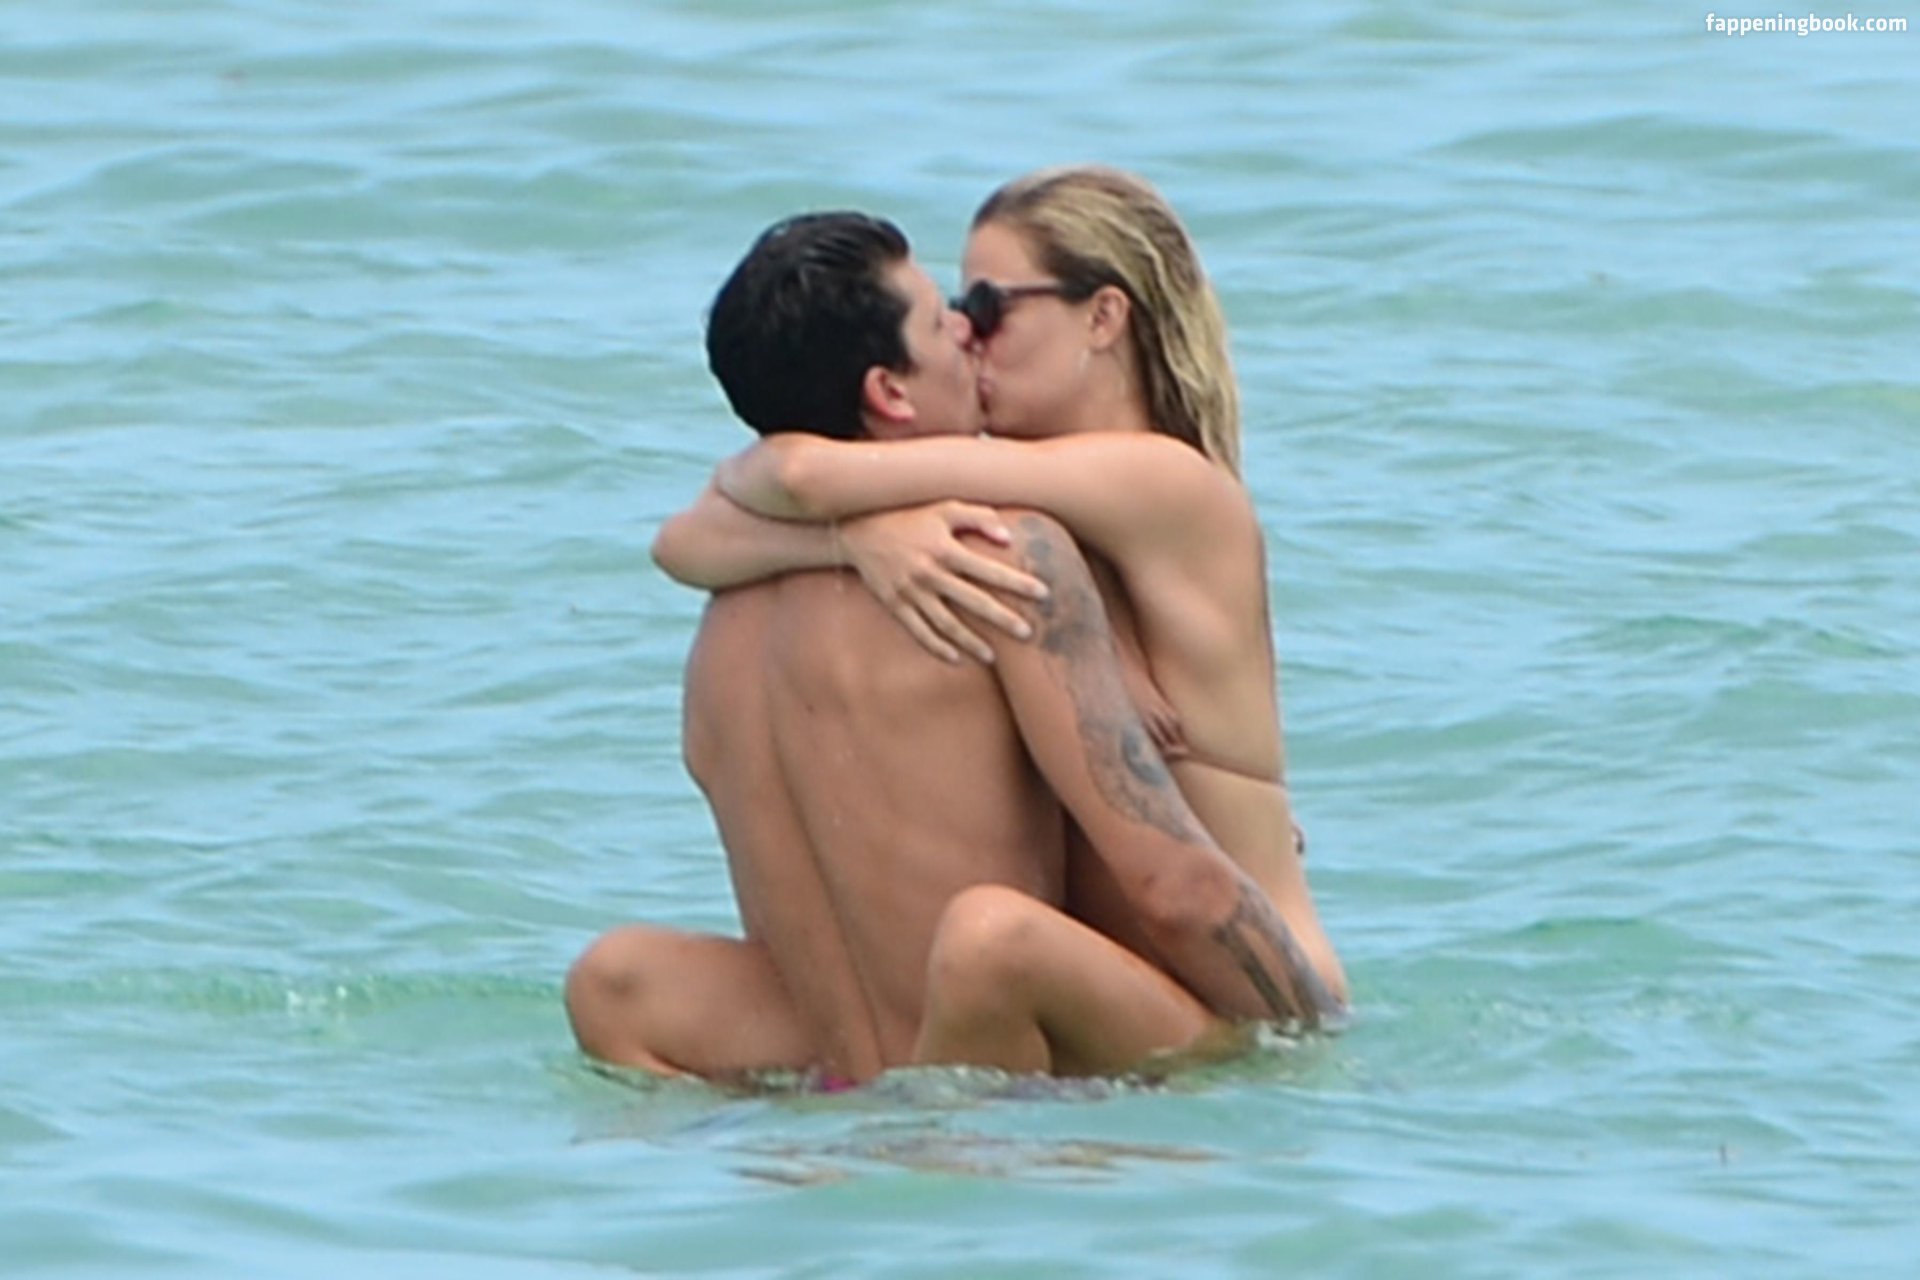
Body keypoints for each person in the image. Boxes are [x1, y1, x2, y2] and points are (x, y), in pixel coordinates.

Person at [566, 211, 1329, 1085]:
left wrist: (842, 535)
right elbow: (1176, 890)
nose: (969, 330)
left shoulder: (724, 617)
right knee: (991, 939)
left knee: (615, 981)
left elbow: (701, 529)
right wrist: (1321, 1054)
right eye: (944, 320)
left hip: (840, 1078)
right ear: (891, 393)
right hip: (983, 1079)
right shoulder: (1000, 560)